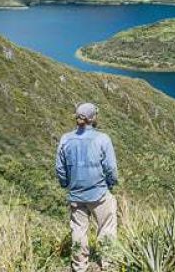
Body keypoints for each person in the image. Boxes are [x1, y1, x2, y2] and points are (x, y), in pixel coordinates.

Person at [56, 102, 119, 272]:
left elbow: (60, 168)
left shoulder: (66, 139)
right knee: (106, 227)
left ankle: (79, 266)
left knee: (78, 230)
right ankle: (108, 264)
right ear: (93, 118)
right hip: (99, 193)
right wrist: (111, 185)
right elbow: (111, 168)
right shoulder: (102, 139)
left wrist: (66, 184)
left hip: (76, 194)